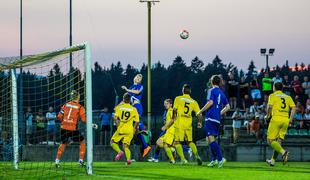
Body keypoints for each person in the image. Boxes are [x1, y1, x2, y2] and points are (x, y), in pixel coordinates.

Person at [197, 75, 230, 168]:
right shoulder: (222, 93)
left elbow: (210, 102)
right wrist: (219, 113)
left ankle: (220, 159)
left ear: (212, 82)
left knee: (210, 139)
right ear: (219, 82)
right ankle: (214, 159)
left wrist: (200, 111)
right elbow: (228, 107)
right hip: (217, 119)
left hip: (210, 118)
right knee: (209, 139)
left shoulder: (210, 90)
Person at [167, 84, 203, 165]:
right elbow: (199, 114)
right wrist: (200, 122)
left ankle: (183, 159)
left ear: (182, 91)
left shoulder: (178, 98)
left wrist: (173, 118)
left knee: (177, 142)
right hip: (188, 123)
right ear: (190, 92)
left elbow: (175, 110)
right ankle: (197, 155)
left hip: (179, 122)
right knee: (190, 141)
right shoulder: (194, 101)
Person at [55, 90, 90, 168]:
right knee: (83, 141)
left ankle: (57, 161)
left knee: (63, 143)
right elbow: (84, 120)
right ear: (78, 97)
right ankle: (80, 160)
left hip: (63, 127)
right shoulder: (80, 107)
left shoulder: (66, 104)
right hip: (72, 128)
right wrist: (89, 121)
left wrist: (63, 122)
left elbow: (59, 116)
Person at [265, 82, 296, 166]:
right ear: (282, 88)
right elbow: (294, 108)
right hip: (285, 120)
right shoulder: (288, 97)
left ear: (274, 88)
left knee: (270, 141)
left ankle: (284, 152)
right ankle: (273, 161)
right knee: (278, 141)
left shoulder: (272, 95)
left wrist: (267, 117)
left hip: (276, 119)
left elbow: (269, 107)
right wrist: (290, 120)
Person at [121, 74, 151, 157]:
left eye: (140, 78)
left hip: (137, 107)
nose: (138, 78)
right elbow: (126, 99)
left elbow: (137, 92)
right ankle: (145, 144)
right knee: (134, 130)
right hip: (131, 109)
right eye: (137, 77)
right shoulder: (131, 87)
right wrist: (118, 106)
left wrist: (127, 89)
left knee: (135, 127)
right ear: (134, 78)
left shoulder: (140, 86)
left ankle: (145, 142)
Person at [110, 93, 139, 165]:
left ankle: (119, 152)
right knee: (126, 145)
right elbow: (137, 121)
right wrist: (134, 129)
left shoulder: (119, 108)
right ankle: (129, 159)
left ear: (123, 99)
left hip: (121, 129)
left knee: (112, 142)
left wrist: (118, 126)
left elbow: (115, 118)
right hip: (129, 130)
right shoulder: (134, 109)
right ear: (130, 100)